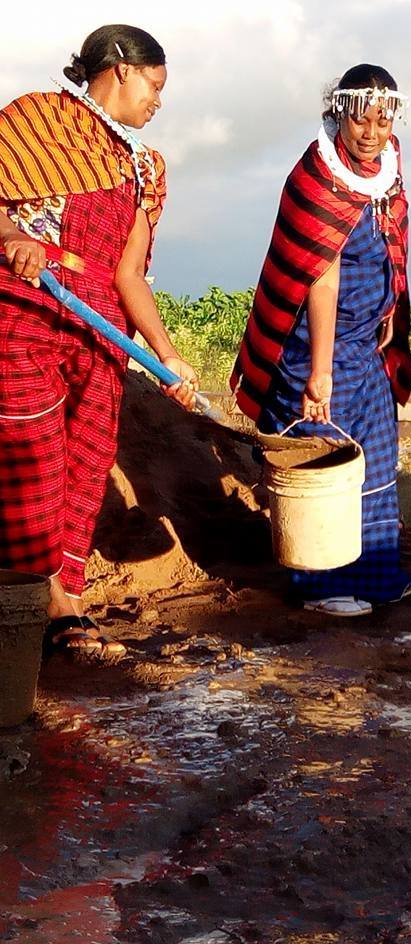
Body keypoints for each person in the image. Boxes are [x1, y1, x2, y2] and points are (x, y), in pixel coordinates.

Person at [0, 24, 198, 660]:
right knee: (33, 455)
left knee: (86, 462)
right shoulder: (29, 120)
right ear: (118, 68)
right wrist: (13, 237)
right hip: (25, 316)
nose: (159, 101)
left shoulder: (144, 166)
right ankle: (42, 601)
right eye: (155, 85)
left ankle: (68, 592)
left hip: (100, 333)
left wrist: (166, 357)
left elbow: (128, 274)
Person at [232, 64, 411, 618]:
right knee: (322, 457)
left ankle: (375, 574)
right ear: (339, 113)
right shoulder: (318, 178)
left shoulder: (389, 170)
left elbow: (393, 245)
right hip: (314, 343)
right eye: (362, 117)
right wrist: (320, 371)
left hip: (366, 343)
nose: (372, 131)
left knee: (373, 458)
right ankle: (320, 585)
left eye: (384, 118)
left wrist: (391, 313)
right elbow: (321, 275)